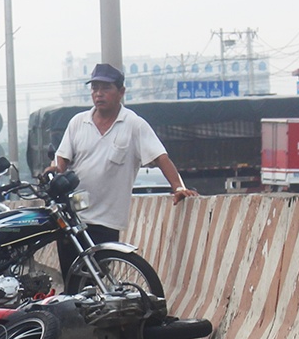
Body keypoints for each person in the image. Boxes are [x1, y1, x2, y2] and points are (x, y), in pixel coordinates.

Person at [51, 63, 196, 280]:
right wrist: (54, 172)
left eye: (106, 88)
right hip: (73, 218)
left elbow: (160, 157)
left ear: (121, 92)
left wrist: (178, 187)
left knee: (97, 280)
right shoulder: (77, 123)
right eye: (95, 88)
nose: (99, 94)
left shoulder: (134, 125)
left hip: (107, 221)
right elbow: (61, 160)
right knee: (72, 280)